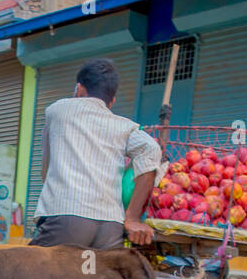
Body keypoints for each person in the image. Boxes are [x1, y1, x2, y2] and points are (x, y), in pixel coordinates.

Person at [29, 58, 163, 249]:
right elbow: (151, 149)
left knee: (23, 274)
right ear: (112, 101)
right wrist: (132, 217)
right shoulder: (124, 126)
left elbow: (46, 169)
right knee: (88, 274)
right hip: (108, 231)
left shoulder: (57, 110)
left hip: (68, 223)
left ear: (79, 89)